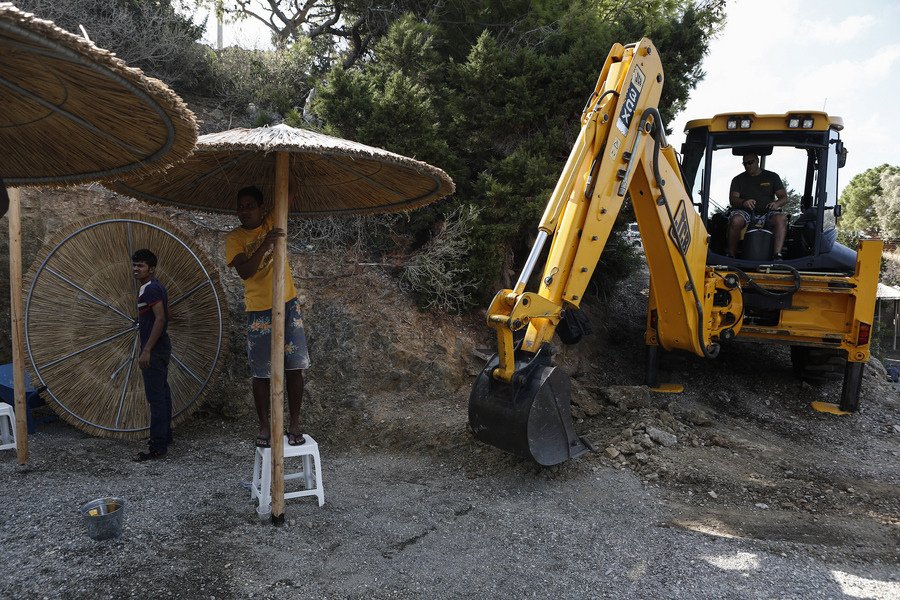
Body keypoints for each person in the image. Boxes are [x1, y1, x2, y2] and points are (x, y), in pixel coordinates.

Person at [225, 185, 310, 448]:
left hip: (287, 302)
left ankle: (294, 423)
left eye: (250, 205)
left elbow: (291, 192)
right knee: (261, 371)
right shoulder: (235, 239)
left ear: (262, 208)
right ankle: (264, 425)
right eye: (241, 206)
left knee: (294, 365)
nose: (244, 211)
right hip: (258, 308)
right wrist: (265, 244)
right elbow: (245, 272)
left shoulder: (275, 219)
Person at [132, 249, 173, 462]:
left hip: (155, 349)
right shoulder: (155, 287)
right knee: (163, 394)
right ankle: (165, 438)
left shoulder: (150, 289)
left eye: (141, 266)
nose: (136, 269)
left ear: (152, 269)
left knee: (155, 398)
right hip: (161, 346)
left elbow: (160, 319)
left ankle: (157, 447)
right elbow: (166, 315)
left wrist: (147, 349)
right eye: (135, 265)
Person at [727, 154, 789, 259]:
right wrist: (744, 202)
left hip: (768, 212)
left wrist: (776, 204)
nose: (747, 166)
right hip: (746, 212)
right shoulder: (738, 179)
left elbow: (784, 197)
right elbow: (733, 199)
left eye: (750, 163)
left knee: (781, 218)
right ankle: (731, 255)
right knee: (735, 220)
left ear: (757, 161)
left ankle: (777, 255)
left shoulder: (772, 176)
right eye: (745, 164)